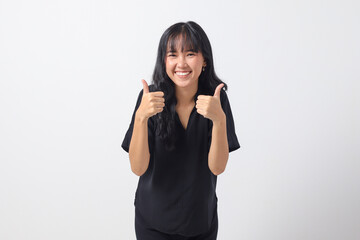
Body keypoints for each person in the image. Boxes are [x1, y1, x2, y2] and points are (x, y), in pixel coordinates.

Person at [121, 21, 240, 240]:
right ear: (164, 61)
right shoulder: (150, 98)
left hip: (200, 223)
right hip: (152, 222)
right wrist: (141, 117)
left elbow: (217, 167)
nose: (181, 63)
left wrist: (219, 120)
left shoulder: (216, 99)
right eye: (173, 55)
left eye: (190, 54)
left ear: (204, 59)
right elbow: (138, 168)